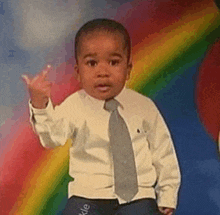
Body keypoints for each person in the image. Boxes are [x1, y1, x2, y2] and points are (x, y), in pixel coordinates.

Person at [22, 18, 181, 215]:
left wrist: (167, 194)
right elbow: (52, 138)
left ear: (128, 69)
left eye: (114, 62)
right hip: (89, 197)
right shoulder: (75, 105)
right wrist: (40, 104)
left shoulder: (144, 107)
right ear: (78, 72)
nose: (102, 72)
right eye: (92, 63)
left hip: (137, 197)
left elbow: (163, 152)